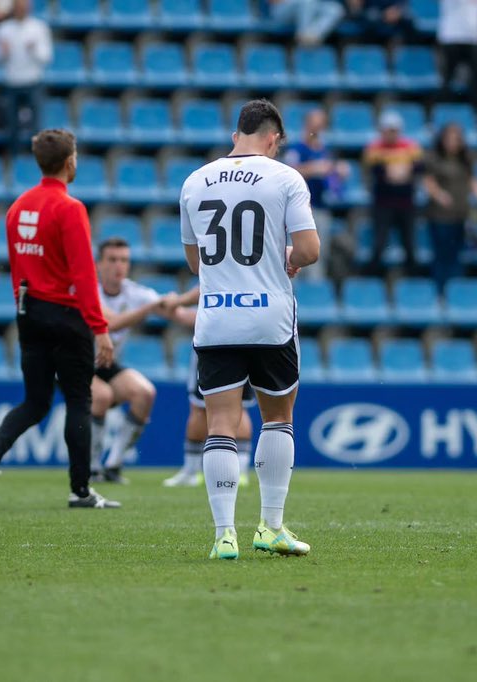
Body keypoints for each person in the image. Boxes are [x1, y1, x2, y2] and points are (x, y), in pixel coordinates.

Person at [179, 99, 320, 560]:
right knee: (277, 418)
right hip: (268, 317)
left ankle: (224, 535)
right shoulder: (286, 178)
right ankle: (270, 526)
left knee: (220, 423)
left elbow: (196, 261)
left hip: (216, 316)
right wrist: (288, 258)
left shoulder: (195, 181)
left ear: (236, 134)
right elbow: (309, 250)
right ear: (273, 138)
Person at [0, 129, 119, 510]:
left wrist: (25, 306)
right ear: (70, 161)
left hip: (29, 312)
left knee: (35, 402)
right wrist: (100, 329)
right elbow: (83, 275)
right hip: (66, 316)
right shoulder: (70, 208)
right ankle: (80, 490)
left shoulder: (18, 207)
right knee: (78, 400)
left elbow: (17, 266)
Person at [158, 286, 258, 489]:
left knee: (199, 407)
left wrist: (177, 303)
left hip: (214, 344)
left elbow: (206, 290)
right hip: (249, 340)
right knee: (240, 406)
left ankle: (191, 471)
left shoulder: (220, 270)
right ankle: (240, 471)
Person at [89, 237, 163, 485]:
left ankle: (113, 465)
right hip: (77, 363)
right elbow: (111, 322)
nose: (118, 266)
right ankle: (91, 467)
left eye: (124, 260)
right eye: (112, 259)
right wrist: (150, 308)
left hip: (106, 363)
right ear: (99, 264)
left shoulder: (136, 292)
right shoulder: (88, 290)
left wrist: (198, 300)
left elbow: (173, 310)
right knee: (102, 396)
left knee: (145, 393)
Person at [423, 122, 477, 293]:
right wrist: (440, 196)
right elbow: (428, 181)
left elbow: (473, 181)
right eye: (449, 138)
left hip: (460, 214)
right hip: (439, 216)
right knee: (441, 255)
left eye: (456, 139)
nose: (452, 142)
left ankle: (456, 292)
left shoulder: (466, 160)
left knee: (457, 255)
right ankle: (440, 292)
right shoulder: (434, 159)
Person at [283, 108, 348, 280]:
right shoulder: (298, 149)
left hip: (319, 206)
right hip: (298, 209)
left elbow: (331, 175)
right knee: (294, 253)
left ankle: (315, 291)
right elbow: (289, 172)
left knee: (318, 255)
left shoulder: (325, 150)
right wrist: (313, 169)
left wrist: (338, 172)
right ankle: (292, 290)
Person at [363, 110, 424, 274]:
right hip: (383, 202)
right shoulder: (375, 148)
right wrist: (397, 171)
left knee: (409, 243)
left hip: (405, 202)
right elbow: (375, 170)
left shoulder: (410, 146)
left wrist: (400, 171)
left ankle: (411, 277)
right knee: (379, 242)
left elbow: (419, 167)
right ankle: (374, 277)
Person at [0, 0, 52, 151]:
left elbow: (46, 57)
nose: (21, 9)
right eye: (18, 6)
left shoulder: (39, 28)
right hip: (11, 82)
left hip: (33, 82)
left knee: (36, 125)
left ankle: (37, 156)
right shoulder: (2, 29)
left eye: (24, 6)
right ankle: (14, 157)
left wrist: (34, 49)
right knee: (11, 125)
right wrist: (3, 52)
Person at [438, 0, 477, 110]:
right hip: (451, 37)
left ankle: (476, 111)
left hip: (474, 38)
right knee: (447, 78)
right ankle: (444, 110)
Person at [266, 0, 344, 45]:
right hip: (281, 9)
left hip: (310, 7)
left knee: (335, 9)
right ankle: (303, 36)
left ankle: (314, 34)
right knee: (307, 1)